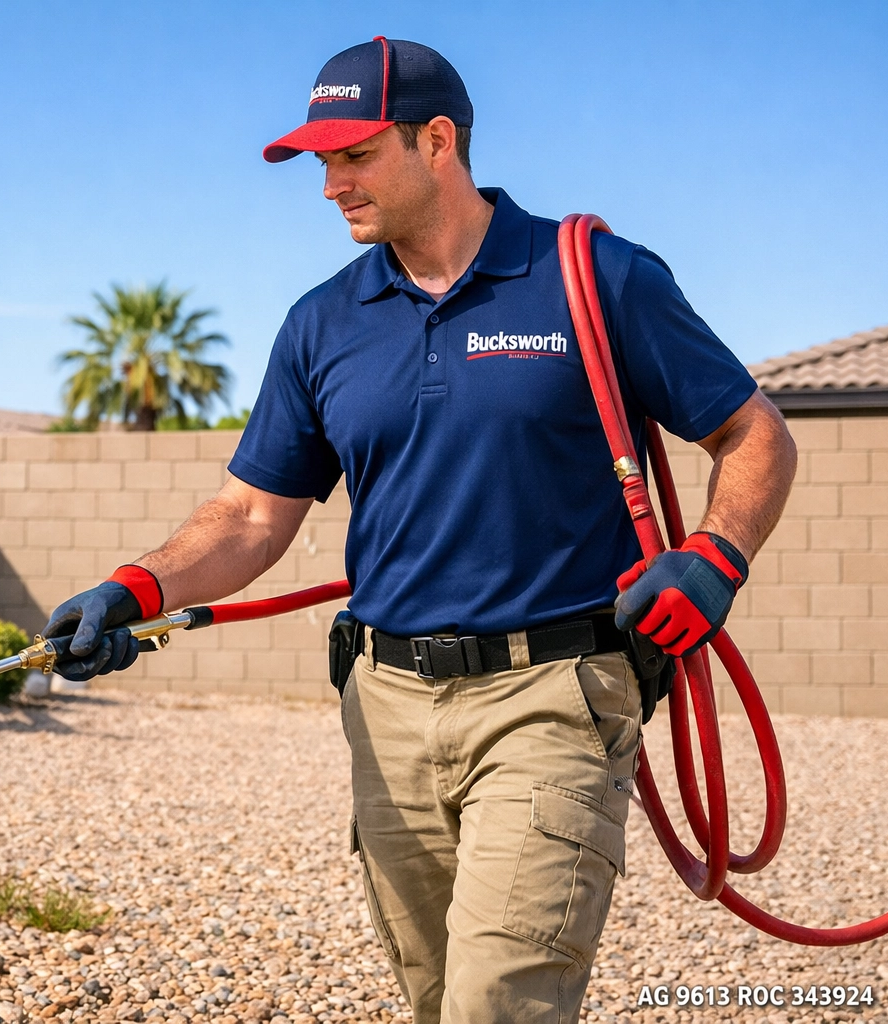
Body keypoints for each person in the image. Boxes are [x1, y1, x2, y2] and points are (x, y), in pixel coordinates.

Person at [40, 36, 797, 1024]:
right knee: (440, 1002)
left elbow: (753, 435)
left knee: (499, 1003)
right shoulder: (323, 324)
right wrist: (132, 587)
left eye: (352, 155)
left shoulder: (593, 279)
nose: (328, 185)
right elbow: (251, 514)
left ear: (438, 140)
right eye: (320, 161)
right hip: (386, 709)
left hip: (554, 700)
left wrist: (716, 557)